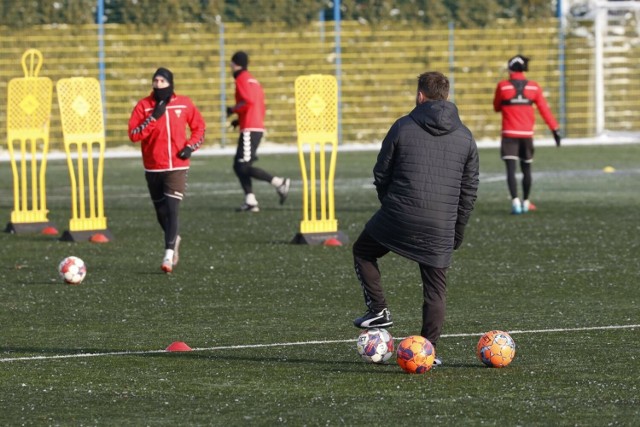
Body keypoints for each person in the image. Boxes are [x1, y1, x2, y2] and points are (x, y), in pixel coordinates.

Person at [352, 71, 479, 366]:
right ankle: (428, 350)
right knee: (435, 289)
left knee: (363, 250)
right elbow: (469, 191)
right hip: (441, 224)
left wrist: (392, 205)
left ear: (420, 95)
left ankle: (379, 310)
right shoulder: (466, 137)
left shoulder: (403, 126)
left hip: (399, 215)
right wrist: (456, 230)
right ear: (446, 96)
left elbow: (381, 172)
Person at [128, 67, 206, 273]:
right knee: (161, 213)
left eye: (162, 81)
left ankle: (168, 256)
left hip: (177, 167)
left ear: (170, 83)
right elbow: (134, 134)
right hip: (153, 167)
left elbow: (200, 128)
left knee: (172, 211)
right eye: (156, 81)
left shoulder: (184, 103)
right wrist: (153, 117)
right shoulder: (143, 106)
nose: (158, 84)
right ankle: (175, 238)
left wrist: (190, 147)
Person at [493, 54, 561, 214]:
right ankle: (526, 202)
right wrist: (555, 130)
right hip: (526, 135)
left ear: (510, 68)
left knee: (510, 169)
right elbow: (545, 110)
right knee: (526, 169)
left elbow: (496, 107)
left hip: (509, 134)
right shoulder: (534, 87)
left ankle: (515, 203)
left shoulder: (503, 86)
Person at [227, 51, 290, 212]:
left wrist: (233, 110)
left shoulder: (241, 78)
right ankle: (250, 200)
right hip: (253, 125)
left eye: (231, 63)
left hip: (250, 127)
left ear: (235, 64)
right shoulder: (253, 80)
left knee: (242, 166)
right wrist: (239, 119)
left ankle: (279, 182)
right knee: (239, 165)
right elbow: (257, 104)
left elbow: (247, 101)